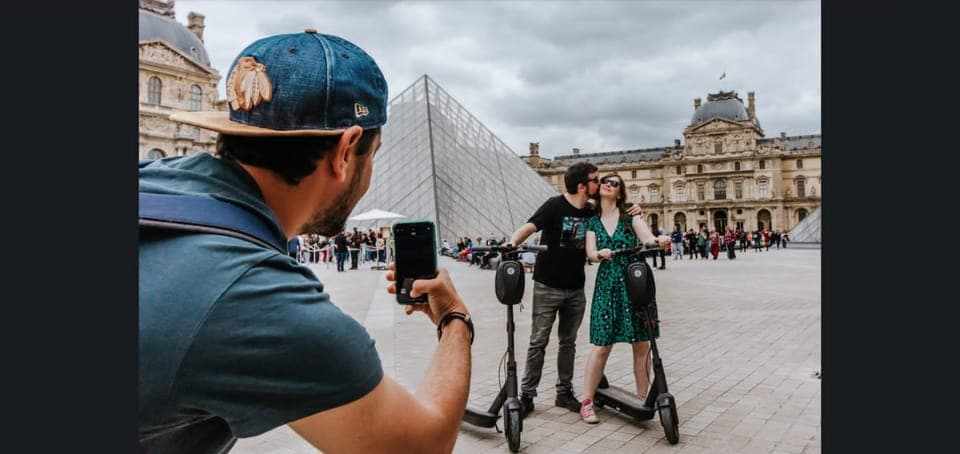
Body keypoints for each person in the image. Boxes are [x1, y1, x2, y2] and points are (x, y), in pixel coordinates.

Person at [139, 30, 472, 453]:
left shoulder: (150, 180)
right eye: (374, 154)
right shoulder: (261, 302)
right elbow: (421, 447)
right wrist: (454, 319)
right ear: (346, 151)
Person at [503, 162, 640, 418]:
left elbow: (616, 212)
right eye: (595, 180)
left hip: (575, 287)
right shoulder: (554, 205)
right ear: (582, 186)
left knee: (568, 343)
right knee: (538, 341)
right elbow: (529, 226)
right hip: (547, 285)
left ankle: (564, 392)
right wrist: (510, 244)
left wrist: (635, 208)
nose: (599, 183)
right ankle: (527, 395)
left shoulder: (590, 211)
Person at [578, 173, 659, 423]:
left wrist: (660, 240)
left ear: (620, 191)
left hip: (635, 283)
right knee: (602, 344)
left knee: (642, 344)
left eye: (614, 183)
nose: (607, 184)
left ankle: (643, 397)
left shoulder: (631, 216)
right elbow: (590, 253)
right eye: (604, 181)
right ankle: (586, 401)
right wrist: (599, 254)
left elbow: (648, 238)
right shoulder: (592, 222)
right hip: (607, 284)